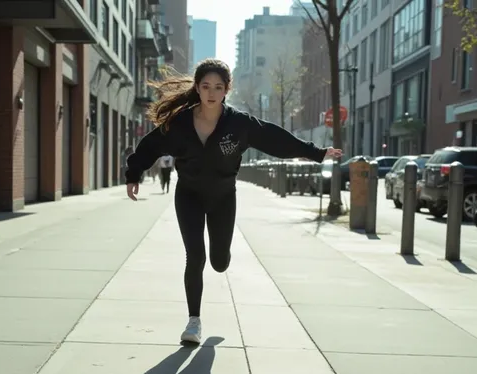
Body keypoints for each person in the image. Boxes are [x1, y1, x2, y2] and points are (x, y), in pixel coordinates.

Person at [125, 58, 341, 344]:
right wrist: (133, 174)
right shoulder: (179, 123)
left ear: (227, 89)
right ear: (198, 89)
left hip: (223, 198)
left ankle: (221, 260)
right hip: (188, 195)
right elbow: (149, 146)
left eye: (218, 87)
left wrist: (316, 152)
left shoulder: (239, 124)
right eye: (205, 86)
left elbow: (275, 139)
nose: (211, 93)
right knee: (195, 256)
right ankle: (193, 322)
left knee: (219, 261)